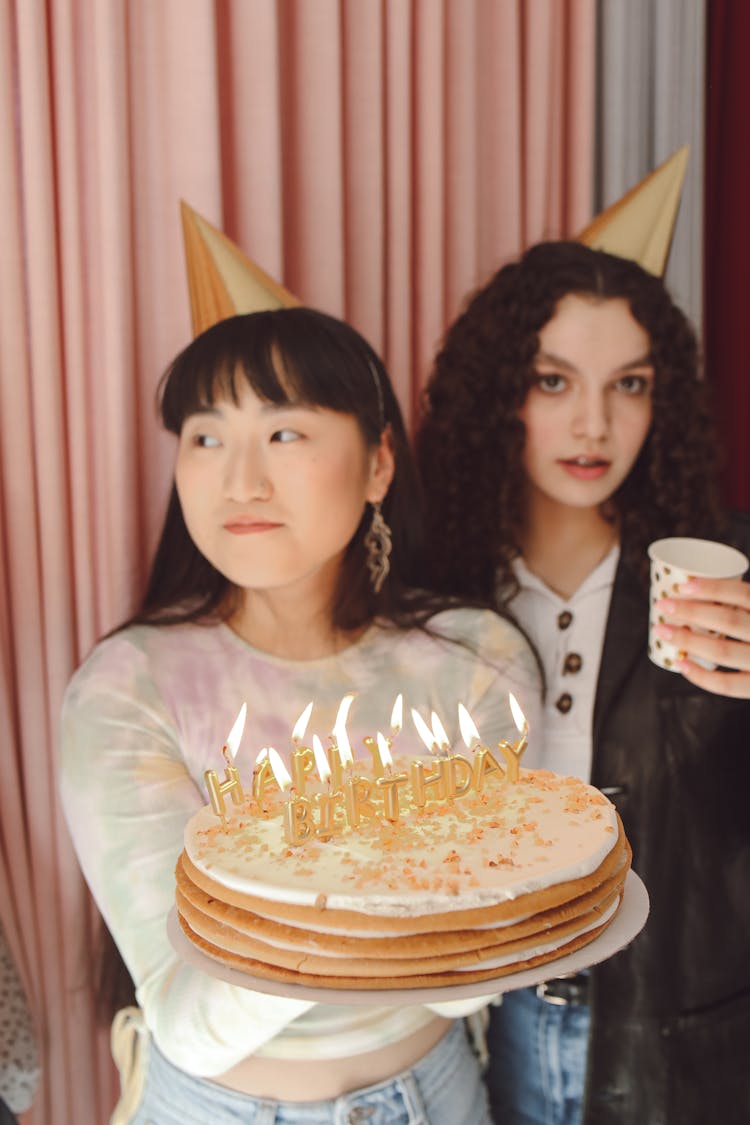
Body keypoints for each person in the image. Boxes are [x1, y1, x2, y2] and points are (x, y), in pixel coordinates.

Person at [59, 307, 541, 1125]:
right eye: (206, 437)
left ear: (378, 464)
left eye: (284, 434)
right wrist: (399, 879)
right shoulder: (127, 688)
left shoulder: (476, 660)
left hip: (437, 1096)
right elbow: (191, 1020)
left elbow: (481, 965)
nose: (239, 479)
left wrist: (312, 900)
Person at [416, 240, 750, 1125]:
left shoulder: (728, 577)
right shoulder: (433, 587)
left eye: (629, 384)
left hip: (681, 1049)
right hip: (478, 1038)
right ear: (498, 395)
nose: (595, 423)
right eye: (554, 381)